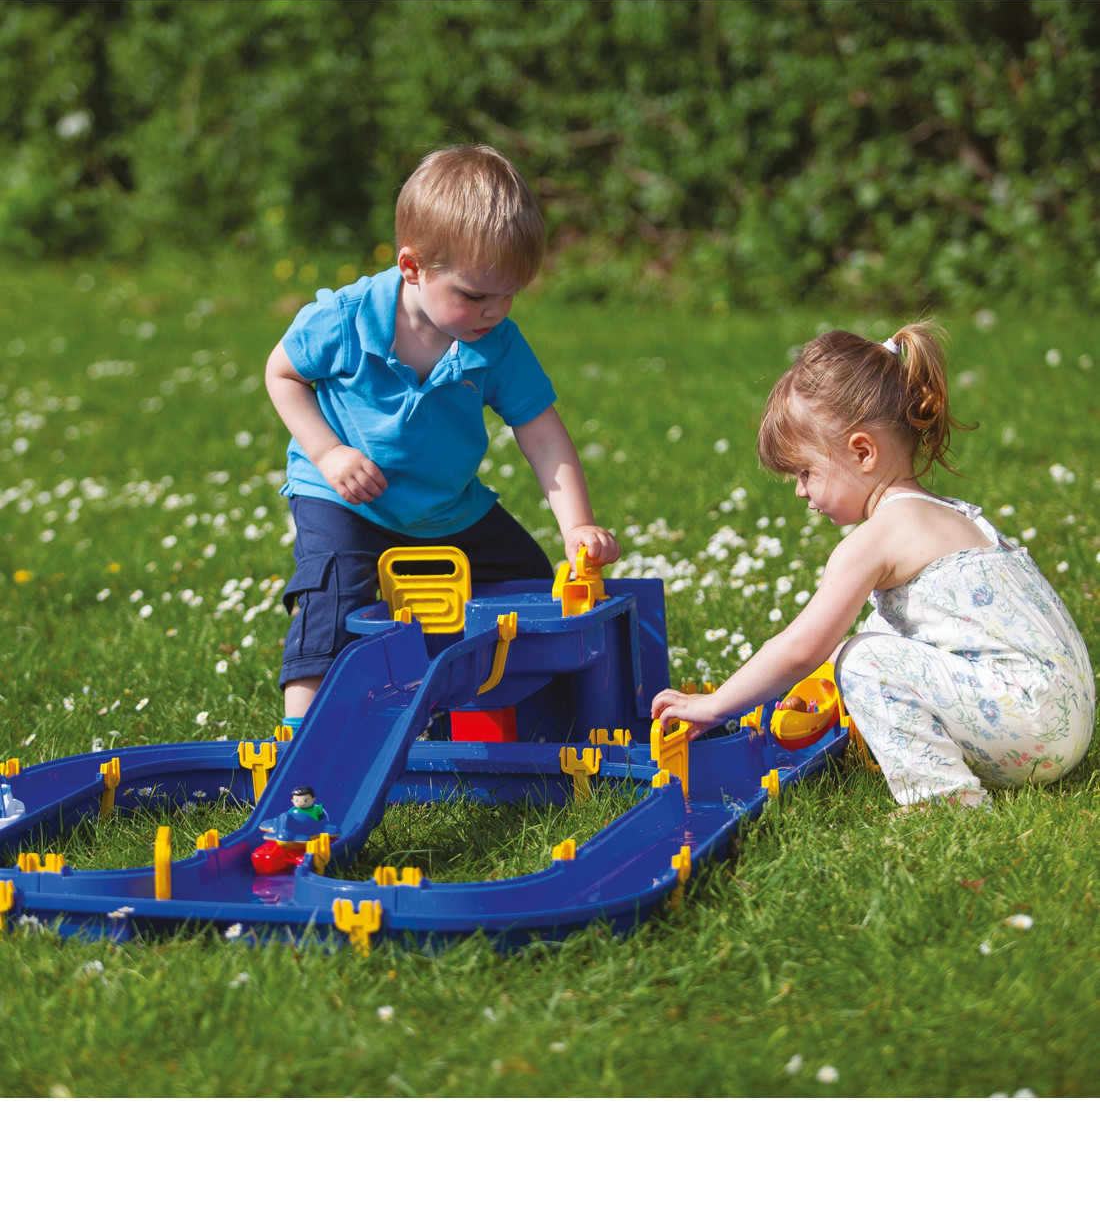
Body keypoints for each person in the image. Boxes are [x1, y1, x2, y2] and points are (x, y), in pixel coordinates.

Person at [651, 323, 1095, 811]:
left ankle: (943, 801)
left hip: (1031, 727)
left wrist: (713, 705)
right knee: (870, 639)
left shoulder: (876, 539)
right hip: (1064, 717)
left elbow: (801, 648)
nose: (800, 491)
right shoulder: (947, 515)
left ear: (862, 452)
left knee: (863, 659)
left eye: (805, 472)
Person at [266, 144, 620, 728]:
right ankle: (302, 746)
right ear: (412, 268)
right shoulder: (346, 319)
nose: (495, 311)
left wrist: (576, 526)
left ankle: (511, 717)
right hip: (346, 500)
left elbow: (542, 435)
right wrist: (328, 453)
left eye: (509, 294)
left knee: (532, 587)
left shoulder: (496, 343)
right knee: (330, 603)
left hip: (447, 509)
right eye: (476, 296)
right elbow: (282, 374)